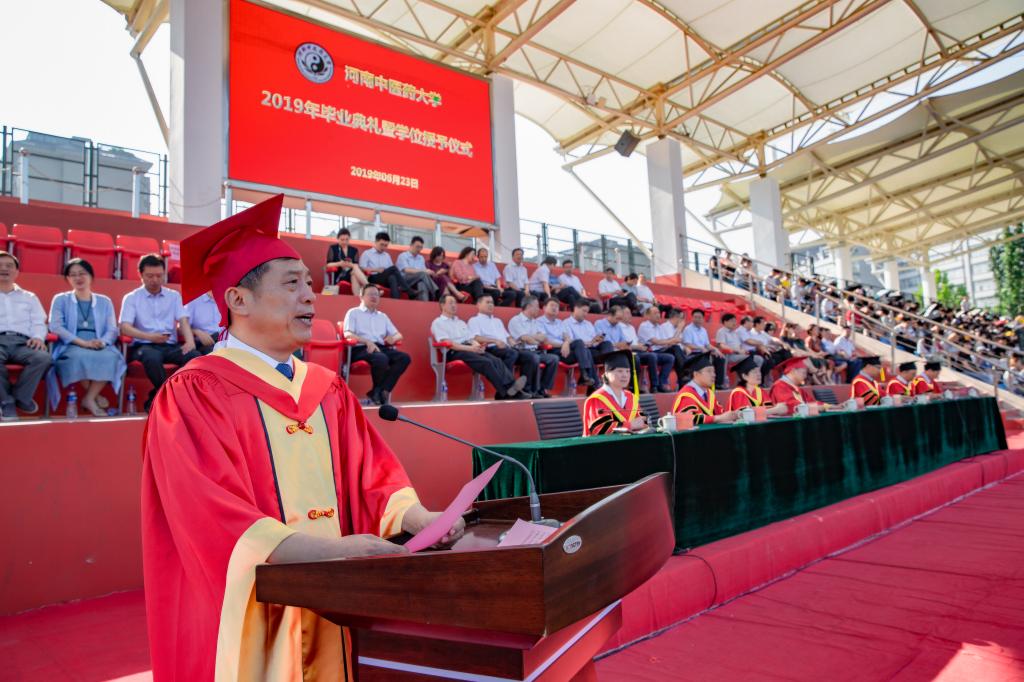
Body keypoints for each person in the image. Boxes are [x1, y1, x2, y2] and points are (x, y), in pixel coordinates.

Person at [143, 195, 463, 681]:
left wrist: (419, 519)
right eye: (292, 284)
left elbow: (372, 476)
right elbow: (206, 510)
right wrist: (327, 552)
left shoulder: (326, 389)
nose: (310, 297)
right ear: (238, 300)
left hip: (337, 603)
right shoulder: (196, 392)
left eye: (310, 284)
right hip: (259, 617)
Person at [119, 253, 199, 412]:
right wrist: (150, 337)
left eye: (159, 276)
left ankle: (156, 398)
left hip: (170, 346)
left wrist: (190, 342)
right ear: (140, 274)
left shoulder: (173, 296)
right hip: (144, 346)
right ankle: (172, 399)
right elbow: (124, 327)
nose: (155, 280)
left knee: (194, 356)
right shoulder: (132, 298)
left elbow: (183, 321)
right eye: (150, 276)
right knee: (152, 358)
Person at [46, 258, 125, 416]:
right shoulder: (60, 299)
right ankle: (93, 397)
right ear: (68, 279)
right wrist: (82, 343)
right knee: (78, 357)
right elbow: (55, 326)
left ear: (91, 276)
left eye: (82, 273)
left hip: (98, 342)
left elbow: (112, 329)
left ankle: (89, 398)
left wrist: (102, 342)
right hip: (72, 342)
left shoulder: (104, 301)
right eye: (73, 275)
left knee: (112, 357)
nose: (78, 278)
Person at [431, 293, 530, 399]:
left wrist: (478, 346)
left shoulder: (460, 322)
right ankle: (506, 393)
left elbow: (471, 339)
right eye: (451, 303)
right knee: (486, 363)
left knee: (496, 361)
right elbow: (449, 344)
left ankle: (514, 389)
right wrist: (471, 348)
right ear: (442, 305)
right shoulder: (438, 323)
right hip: (455, 352)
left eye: (455, 303)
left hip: (469, 349)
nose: (454, 305)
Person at [0, 251, 51, 420]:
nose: (4, 269)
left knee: (43, 357)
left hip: (23, 342)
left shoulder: (29, 297)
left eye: (9, 266)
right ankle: (6, 402)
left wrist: (38, 337)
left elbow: (39, 321)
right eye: (0, 266)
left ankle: (21, 398)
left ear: (16, 272)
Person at [342, 284, 410, 405]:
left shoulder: (382, 316)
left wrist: (393, 338)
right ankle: (379, 392)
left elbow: (399, 335)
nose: (374, 297)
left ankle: (381, 390)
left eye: (376, 294)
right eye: (370, 294)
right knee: (381, 358)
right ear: (361, 296)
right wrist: (367, 341)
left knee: (404, 358)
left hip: (380, 347)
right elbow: (348, 334)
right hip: (360, 348)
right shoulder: (353, 313)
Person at [468, 294, 544, 396]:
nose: (491, 305)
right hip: (490, 349)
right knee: (511, 354)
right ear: (478, 304)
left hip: (506, 348)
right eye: (487, 302)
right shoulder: (474, 320)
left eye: (492, 303)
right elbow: (476, 338)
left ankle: (528, 390)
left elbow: (508, 337)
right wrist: (495, 341)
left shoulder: (497, 321)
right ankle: (506, 390)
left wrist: (513, 342)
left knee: (531, 357)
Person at [535, 298, 598, 390]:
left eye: (557, 306)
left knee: (581, 344)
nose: (554, 308)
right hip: (552, 350)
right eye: (552, 305)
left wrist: (566, 343)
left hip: (565, 350)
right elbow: (545, 341)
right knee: (585, 350)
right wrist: (564, 344)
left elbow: (567, 337)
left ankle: (585, 375)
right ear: (544, 308)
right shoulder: (539, 322)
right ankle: (590, 380)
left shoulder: (559, 322)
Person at [582, 350, 648, 436]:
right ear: (606, 374)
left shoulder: (630, 397)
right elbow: (600, 429)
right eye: (620, 371)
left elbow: (642, 421)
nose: (625, 375)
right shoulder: (598, 398)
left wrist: (643, 423)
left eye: (627, 371)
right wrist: (630, 425)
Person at [507, 295, 559, 397]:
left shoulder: (535, 322)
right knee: (533, 357)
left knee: (554, 359)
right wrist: (534, 338)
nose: (539, 309)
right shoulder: (516, 320)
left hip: (535, 350)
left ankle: (542, 389)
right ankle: (528, 389)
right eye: (537, 306)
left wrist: (531, 337)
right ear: (529, 306)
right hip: (520, 351)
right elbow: (526, 339)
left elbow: (543, 338)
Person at [671, 352, 736, 426]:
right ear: (696, 374)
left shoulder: (708, 393)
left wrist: (732, 415)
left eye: (714, 372)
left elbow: (721, 413)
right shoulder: (686, 395)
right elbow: (690, 419)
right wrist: (716, 418)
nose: (714, 375)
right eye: (709, 371)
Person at [620, 308, 673, 393]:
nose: (630, 315)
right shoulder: (619, 327)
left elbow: (636, 341)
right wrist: (638, 347)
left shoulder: (631, 327)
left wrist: (641, 346)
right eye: (627, 313)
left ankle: (655, 386)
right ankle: (634, 387)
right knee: (637, 358)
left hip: (640, 350)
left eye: (630, 313)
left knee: (661, 357)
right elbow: (624, 345)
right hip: (628, 351)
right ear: (620, 315)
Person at [639, 307, 687, 389]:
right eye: (655, 313)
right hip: (649, 351)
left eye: (659, 313)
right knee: (675, 349)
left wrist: (672, 340)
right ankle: (684, 377)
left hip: (660, 350)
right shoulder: (645, 326)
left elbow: (667, 341)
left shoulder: (659, 327)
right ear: (648, 315)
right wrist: (675, 336)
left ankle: (663, 382)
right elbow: (656, 342)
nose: (658, 315)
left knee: (671, 356)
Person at [358, 231, 415, 300]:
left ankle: (396, 300)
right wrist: (376, 269)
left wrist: (385, 271)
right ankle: (408, 290)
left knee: (392, 277)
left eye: (385, 245)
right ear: (376, 242)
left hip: (384, 278)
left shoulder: (387, 255)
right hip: (372, 277)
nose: (383, 247)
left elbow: (391, 270)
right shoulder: (367, 253)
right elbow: (361, 268)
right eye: (381, 244)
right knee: (394, 268)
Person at [681, 308, 726, 388]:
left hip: (703, 352)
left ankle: (718, 383)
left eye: (699, 317)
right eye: (695, 317)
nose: (697, 319)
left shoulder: (703, 330)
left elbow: (707, 345)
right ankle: (706, 383)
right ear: (692, 318)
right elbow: (687, 344)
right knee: (707, 359)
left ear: (703, 319)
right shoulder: (688, 329)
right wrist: (701, 348)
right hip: (694, 353)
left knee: (720, 357)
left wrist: (716, 349)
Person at [715, 313, 762, 387]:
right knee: (748, 358)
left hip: (739, 354)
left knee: (759, 359)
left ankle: (751, 379)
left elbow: (740, 346)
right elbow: (721, 345)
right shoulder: (721, 332)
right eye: (732, 321)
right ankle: (747, 381)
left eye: (735, 321)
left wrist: (743, 350)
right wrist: (736, 350)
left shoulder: (735, 333)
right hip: (729, 355)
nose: (734, 323)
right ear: (725, 322)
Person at [325, 227, 369, 293]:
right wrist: (339, 263)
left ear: (349, 239)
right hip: (340, 274)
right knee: (354, 270)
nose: (344, 242)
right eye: (342, 240)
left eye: (347, 239)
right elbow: (328, 265)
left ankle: (358, 296)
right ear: (338, 239)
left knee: (354, 273)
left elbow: (356, 264)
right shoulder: (333, 248)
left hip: (352, 273)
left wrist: (350, 265)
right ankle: (369, 287)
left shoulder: (354, 250)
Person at [396, 236, 438, 301]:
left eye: (421, 247)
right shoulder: (403, 256)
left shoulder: (421, 258)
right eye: (417, 247)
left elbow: (424, 272)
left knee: (422, 283)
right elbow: (407, 270)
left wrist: (430, 272)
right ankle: (436, 292)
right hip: (404, 281)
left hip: (416, 281)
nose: (419, 249)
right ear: (411, 245)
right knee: (422, 274)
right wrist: (425, 271)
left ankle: (424, 304)